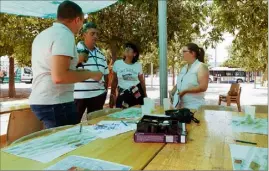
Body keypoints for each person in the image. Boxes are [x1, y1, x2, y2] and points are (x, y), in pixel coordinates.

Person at [29, 1, 103, 129]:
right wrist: (91, 74)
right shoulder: (65, 35)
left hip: (43, 100)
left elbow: (60, 71)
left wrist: (90, 73)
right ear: (77, 20)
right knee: (68, 146)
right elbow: (60, 76)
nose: (81, 27)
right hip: (56, 103)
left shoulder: (43, 35)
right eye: (82, 22)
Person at [74, 22, 109, 121]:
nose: (95, 36)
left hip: (98, 95)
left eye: (97, 34)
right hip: (78, 96)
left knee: (95, 125)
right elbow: (67, 68)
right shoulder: (75, 50)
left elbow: (106, 75)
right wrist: (79, 59)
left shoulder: (101, 54)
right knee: (73, 127)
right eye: (92, 33)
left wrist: (104, 91)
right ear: (84, 34)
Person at [169, 43, 209, 110]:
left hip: (195, 107)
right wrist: (172, 91)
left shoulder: (201, 66)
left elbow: (203, 87)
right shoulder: (184, 68)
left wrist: (185, 91)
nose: (182, 54)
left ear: (193, 53)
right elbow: (181, 83)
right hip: (181, 107)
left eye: (184, 51)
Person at [109, 43, 147, 108]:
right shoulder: (118, 63)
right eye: (126, 47)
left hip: (136, 93)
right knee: (121, 115)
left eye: (130, 48)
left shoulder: (138, 65)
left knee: (136, 114)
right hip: (122, 94)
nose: (127, 49)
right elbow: (114, 81)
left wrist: (145, 95)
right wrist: (112, 95)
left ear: (134, 54)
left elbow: (142, 82)